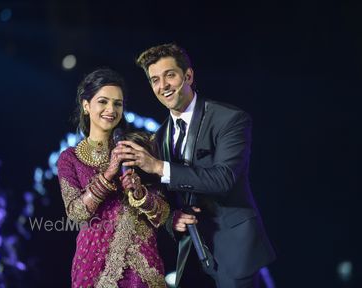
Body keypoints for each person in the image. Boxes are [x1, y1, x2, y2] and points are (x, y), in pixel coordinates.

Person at [115, 43, 276, 288]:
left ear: (188, 76)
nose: (163, 86)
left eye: (170, 75)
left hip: (234, 250)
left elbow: (224, 179)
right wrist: (172, 220)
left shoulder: (229, 119)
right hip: (191, 254)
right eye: (155, 80)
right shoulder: (159, 137)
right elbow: (166, 201)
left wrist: (159, 167)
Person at [56, 67, 170, 288]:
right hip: (93, 266)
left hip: (143, 264)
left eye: (117, 103)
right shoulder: (70, 159)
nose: (111, 109)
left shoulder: (137, 149)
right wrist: (108, 173)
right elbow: (76, 213)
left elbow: (162, 214)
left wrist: (140, 194)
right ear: (86, 105)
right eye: (103, 102)